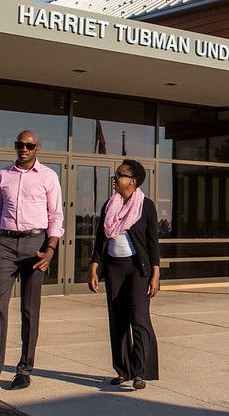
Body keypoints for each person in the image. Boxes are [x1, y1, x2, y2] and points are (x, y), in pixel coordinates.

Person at [0, 129, 64, 394]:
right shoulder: (3, 175)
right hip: (6, 245)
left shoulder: (48, 176)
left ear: (37, 148)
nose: (23, 149)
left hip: (36, 246)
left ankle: (24, 370)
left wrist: (50, 250)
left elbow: (56, 216)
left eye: (29, 146)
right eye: (19, 145)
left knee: (29, 310)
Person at [89, 159, 160, 389]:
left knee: (139, 318)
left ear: (133, 181)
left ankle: (140, 372)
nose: (116, 178)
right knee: (117, 320)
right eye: (116, 174)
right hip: (113, 268)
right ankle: (123, 370)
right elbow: (101, 238)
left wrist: (155, 273)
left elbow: (152, 243)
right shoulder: (109, 205)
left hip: (137, 269)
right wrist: (94, 265)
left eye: (120, 174)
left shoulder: (145, 205)